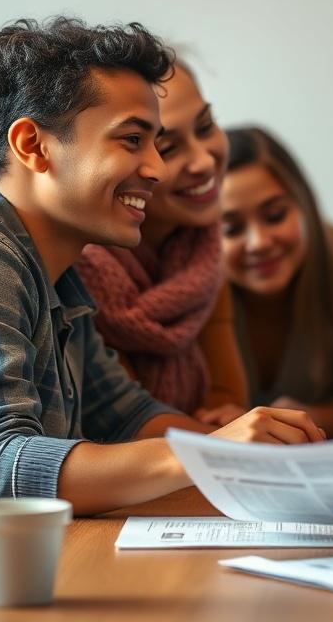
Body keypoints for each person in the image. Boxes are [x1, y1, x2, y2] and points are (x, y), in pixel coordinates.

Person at [0, 18, 324, 526]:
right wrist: (211, 451)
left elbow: (127, 415)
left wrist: (273, 462)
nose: (157, 170)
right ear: (33, 145)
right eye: (131, 140)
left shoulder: (58, 272)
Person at [75, 58, 249, 420]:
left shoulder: (203, 250)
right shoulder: (77, 268)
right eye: (167, 148)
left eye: (205, 127)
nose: (202, 161)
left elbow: (228, 399)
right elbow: (118, 426)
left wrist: (227, 422)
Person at [218, 126, 333, 437]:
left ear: (304, 204)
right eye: (231, 229)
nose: (259, 242)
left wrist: (304, 418)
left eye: (274, 215)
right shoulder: (192, 286)